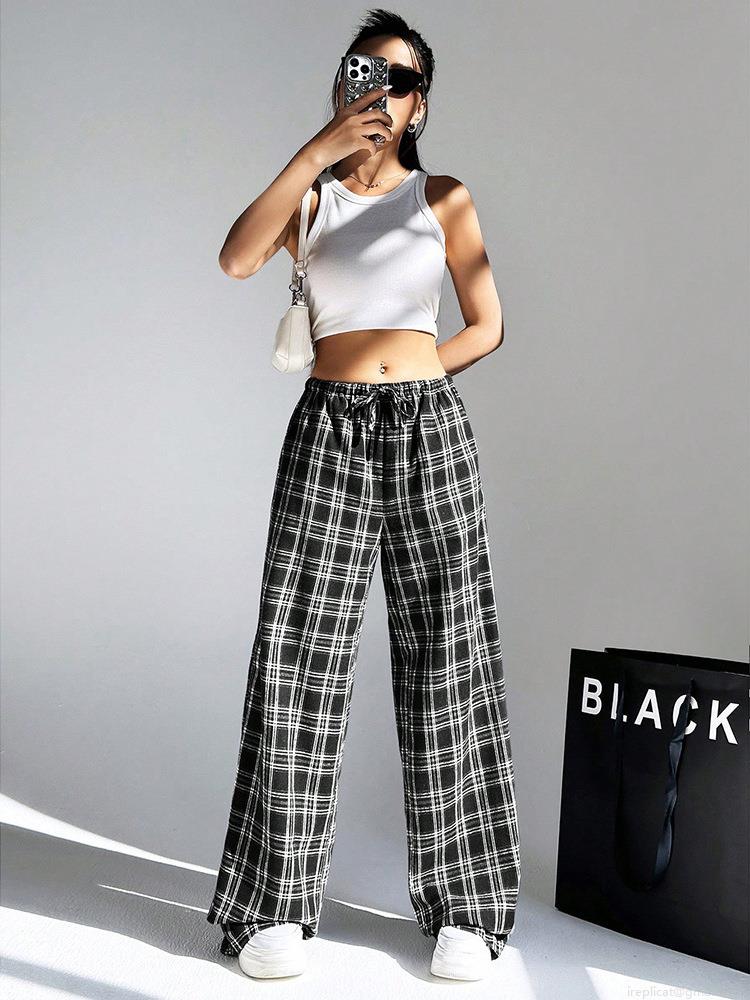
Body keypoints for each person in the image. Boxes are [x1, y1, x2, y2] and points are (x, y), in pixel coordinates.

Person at [206, 9, 521, 983]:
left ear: (421, 104)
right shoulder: (313, 198)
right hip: (329, 430)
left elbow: (486, 324)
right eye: (367, 70)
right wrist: (317, 149)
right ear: (345, 83)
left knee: (448, 655)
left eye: (403, 78)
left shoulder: (444, 197)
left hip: (429, 431)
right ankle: (277, 903)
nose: (384, 89)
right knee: (298, 656)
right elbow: (236, 258)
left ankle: (465, 907)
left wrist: (416, 375)